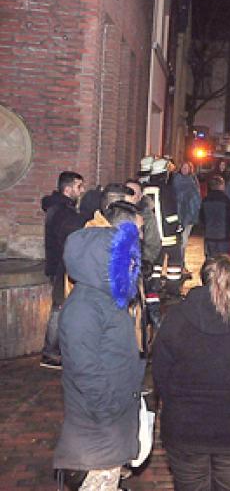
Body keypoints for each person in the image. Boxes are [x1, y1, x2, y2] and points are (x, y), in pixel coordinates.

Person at [153, 255, 230, 491]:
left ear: (202, 280)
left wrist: (178, 406)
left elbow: (160, 377)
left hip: (185, 432)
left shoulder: (176, 320)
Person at [52, 203, 145, 490]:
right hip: (98, 433)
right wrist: (111, 412)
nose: (131, 265)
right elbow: (85, 370)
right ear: (104, 263)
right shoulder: (84, 308)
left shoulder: (106, 298)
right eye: (124, 260)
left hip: (110, 426)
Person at [39, 171, 85, 369]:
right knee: (59, 308)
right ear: (67, 189)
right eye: (78, 186)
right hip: (61, 267)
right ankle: (50, 353)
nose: (81, 190)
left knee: (62, 308)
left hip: (61, 266)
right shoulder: (62, 211)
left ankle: (57, 350)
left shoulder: (61, 208)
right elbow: (68, 238)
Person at [144, 157, 184, 299]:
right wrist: (177, 227)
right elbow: (170, 212)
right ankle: (172, 290)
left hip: (152, 235)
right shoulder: (166, 189)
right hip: (168, 235)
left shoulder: (145, 188)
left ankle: (153, 286)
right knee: (174, 261)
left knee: (156, 262)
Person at [200, 176, 230, 259]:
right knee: (222, 260)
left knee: (210, 259)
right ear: (221, 185)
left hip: (209, 235)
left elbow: (202, 217)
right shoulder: (225, 200)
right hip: (223, 236)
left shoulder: (206, 199)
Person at [172, 161, 202, 257]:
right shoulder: (177, 179)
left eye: (186, 168)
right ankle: (179, 262)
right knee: (181, 240)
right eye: (183, 167)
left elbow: (197, 197)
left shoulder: (193, 180)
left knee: (185, 239)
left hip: (190, 214)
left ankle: (181, 262)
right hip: (179, 213)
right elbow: (177, 196)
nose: (184, 169)